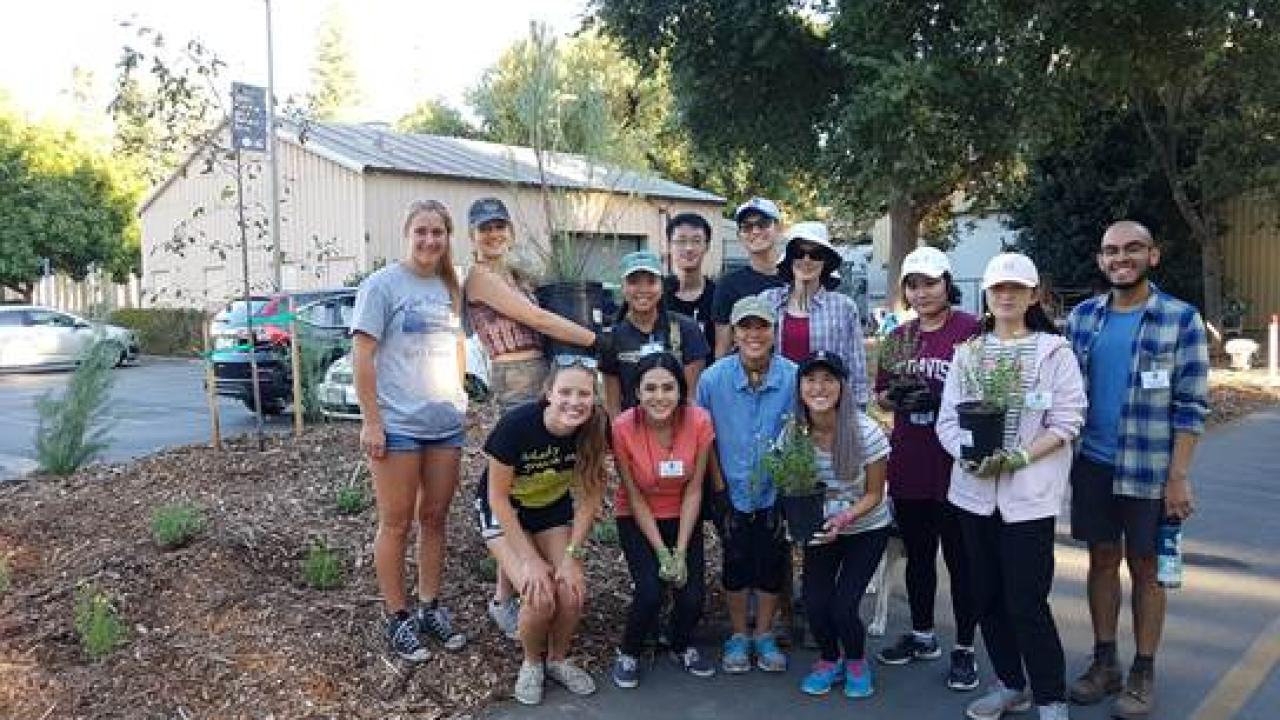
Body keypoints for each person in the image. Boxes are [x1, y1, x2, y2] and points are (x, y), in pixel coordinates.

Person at [1064, 221, 1208, 718]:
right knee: (1101, 561)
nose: (1120, 258)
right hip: (1093, 466)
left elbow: (1192, 405)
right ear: (1101, 260)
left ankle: (1144, 669)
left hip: (1150, 469)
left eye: (1132, 249)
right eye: (1110, 251)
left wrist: (1179, 475)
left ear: (1154, 255)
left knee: (1147, 569)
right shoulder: (1082, 318)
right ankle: (1105, 662)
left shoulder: (1180, 319)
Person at [936, 253, 1086, 720]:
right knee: (986, 596)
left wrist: (1020, 457)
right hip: (973, 498)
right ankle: (1010, 684)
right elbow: (948, 419)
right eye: (998, 288)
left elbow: (1068, 419)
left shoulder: (1053, 352)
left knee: (1027, 601)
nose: (1006, 295)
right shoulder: (970, 352)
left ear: (1033, 295)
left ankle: (1050, 697)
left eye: (1016, 289)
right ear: (986, 294)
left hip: (1029, 499)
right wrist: (968, 456)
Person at [463, 196, 607, 639]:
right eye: (484, 228)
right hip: (515, 375)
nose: (493, 234)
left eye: (499, 226)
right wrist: (600, 340)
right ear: (473, 235)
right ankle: (506, 596)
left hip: (542, 373)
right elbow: (537, 318)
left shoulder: (515, 275)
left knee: (544, 477)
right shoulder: (479, 277)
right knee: (517, 476)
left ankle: (517, 588)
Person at [352, 199, 470, 661]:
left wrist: (460, 396)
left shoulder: (451, 286)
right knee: (397, 523)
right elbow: (363, 357)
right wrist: (371, 421)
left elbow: (457, 346)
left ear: (447, 237)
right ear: (408, 234)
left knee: (435, 519)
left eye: (437, 232)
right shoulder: (382, 286)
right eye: (421, 231)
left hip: (444, 425)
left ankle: (429, 607)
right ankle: (398, 619)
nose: (429, 241)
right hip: (397, 426)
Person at [873, 246, 982, 691]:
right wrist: (896, 397)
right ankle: (922, 635)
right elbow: (879, 395)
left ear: (947, 283)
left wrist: (944, 402)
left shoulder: (972, 330)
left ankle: (965, 649)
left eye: (930, 283)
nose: (921, 293)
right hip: (912, 461)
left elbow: (989, 397)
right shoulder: (899, 337)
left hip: (956, 464)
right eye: (913, 285)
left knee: (962, 560)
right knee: (919, 556)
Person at [474, 357, 610, 705]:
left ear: (593, 398)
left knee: (571, 590)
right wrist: (529, 559)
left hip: (550, 509)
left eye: (584, 394)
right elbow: (498, 498)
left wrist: (571, 557)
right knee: (539, 594)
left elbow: (590, 498)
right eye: (565, 391)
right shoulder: (515, 426)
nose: (574, 401)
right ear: (548, 393)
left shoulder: (593, 429)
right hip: (507, 509)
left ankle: (558, 659)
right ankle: (532, 662)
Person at [695, 295, 797, 674]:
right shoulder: (712, 379)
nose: (754, 334)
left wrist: (790, 490)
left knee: (770, 562)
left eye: (762, 326)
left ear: (774, 331)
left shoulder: (793, 375)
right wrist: (718, 491)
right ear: (734, 333)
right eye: (745, 326)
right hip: (730, 487)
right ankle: (739, 634)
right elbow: (704, 438)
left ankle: (764, 634)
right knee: (735, 560)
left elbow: (800, 434)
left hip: (776, 488)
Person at [789, 351, 893, 700]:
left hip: (865, 526)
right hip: (821, 526)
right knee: (815, 603)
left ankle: (856, 661)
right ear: (800, 387)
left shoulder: (866, 432)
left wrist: (845, 518)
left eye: (828, 379)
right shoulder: (794, 432)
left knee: (844, 606)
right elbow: (791, 484)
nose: (819, 387)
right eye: (811, 379)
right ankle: (829, 658)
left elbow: (875, 494)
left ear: (843, 387)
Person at [609, 352, 717, 688]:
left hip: (683, 512)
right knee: (651, 591)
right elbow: (633, 495)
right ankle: (629, 651)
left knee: (691, 595)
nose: (659, 396)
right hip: (637, 515)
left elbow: (695, 490)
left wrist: (681, 550)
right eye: (650, 388)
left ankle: (679, 642)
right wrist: (661, 551)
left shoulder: (699, 421)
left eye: (668, 387)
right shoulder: (622, 427)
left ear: (681, 390)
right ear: (637, 393)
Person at [758, 221, 869, 406]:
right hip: (775, 405)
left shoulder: (844, 307)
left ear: (825, 261)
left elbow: (856, 369)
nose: (807, 260)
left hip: (826, 408)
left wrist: (858, 413)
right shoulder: (767, 301)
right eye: (799, 253)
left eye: (816, 254)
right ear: (789, 258)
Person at [601, 251, 710, 418]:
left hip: (677, 428)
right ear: (623, 287)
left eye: (651, 282)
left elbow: (691, 398)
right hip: (632, 433)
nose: (643, 290)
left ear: (662, 286)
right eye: (633, 282)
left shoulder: (687, 329)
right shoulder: (612, 337)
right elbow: (613, 406)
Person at [710, 197, 787, 357]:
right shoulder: (728, 285)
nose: (755, 231)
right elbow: (722, 349)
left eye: (763, 224)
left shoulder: (795, 279)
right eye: (747, 227)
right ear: (739, 235)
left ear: (778, 228)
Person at [663, 212, 717, 347]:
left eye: (696, 241)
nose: (689, 248)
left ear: (707, 246)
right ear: (669, 246)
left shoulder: (719, 295)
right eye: (681, 241)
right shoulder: (656, 295)